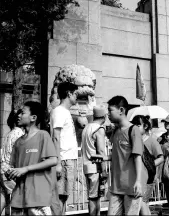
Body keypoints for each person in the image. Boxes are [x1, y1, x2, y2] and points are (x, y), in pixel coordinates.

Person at [6, 101, 58, 215]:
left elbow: (53, 160)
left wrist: (26, 169)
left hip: (38, 199)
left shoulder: (43, 135)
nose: (18, 116)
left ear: (33, 117)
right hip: (18, 200)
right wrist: (11, 172)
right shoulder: (18, 142)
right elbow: (13, 166)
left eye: (22, 113)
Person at [105, 96, 146, 215]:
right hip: (116, 187)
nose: (108, 114)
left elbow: (137, 157)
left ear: (121, 110)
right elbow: (117, 155)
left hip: (132, 186)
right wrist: (102, 158)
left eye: (110, 110)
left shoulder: (133, 130)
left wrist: (138, 181)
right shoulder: (116, 131)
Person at [50, 82, 79, 214]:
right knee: (59, 197)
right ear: (69, 94)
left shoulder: (64, 112)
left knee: (64, 196)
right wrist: (57, 163)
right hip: (63, 159)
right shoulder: (59, 111)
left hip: (68, 159)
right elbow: (55, 137)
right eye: (75, 94)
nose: (76, 97)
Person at [131, 115, 164, 215]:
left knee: (142, 203)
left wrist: (149, 164)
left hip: (148, 177)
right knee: (141, 204)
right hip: (136, 177)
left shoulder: (152, 141)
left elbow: (161, 158)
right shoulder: (133, 140)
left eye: (138, 125)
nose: (135, 128)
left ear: (145, 126)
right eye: (134, 125)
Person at [81, 105, 108, 216]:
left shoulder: (86, 128)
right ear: (104, 116)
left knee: (93, 197)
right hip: (96, 168)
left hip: (87, 166)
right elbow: (101, 151)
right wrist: (104, 170)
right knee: (94, 198)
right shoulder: (99, 129)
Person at [1, 110, 24, 215]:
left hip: (2, 170)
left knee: (3, 198)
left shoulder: (8, 134)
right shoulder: (20, 134)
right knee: (16, 202)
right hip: (11, 172)